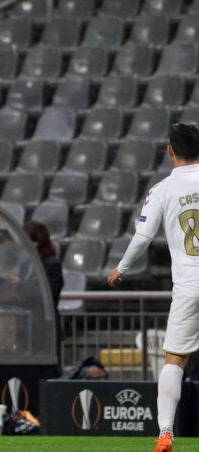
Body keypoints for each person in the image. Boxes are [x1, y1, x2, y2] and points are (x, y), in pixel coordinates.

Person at [107, 123, 199, 452]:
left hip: (189, 286)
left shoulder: (163, 190)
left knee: (175, 359)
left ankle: (165, 433)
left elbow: (143, 236)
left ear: (170, 150)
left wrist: (121, 267)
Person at [24, 220, 64, 366]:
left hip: (45, 326)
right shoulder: (26, 264)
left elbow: (50, 293)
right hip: (27, 327)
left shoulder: (51, 264)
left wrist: (22, 286)